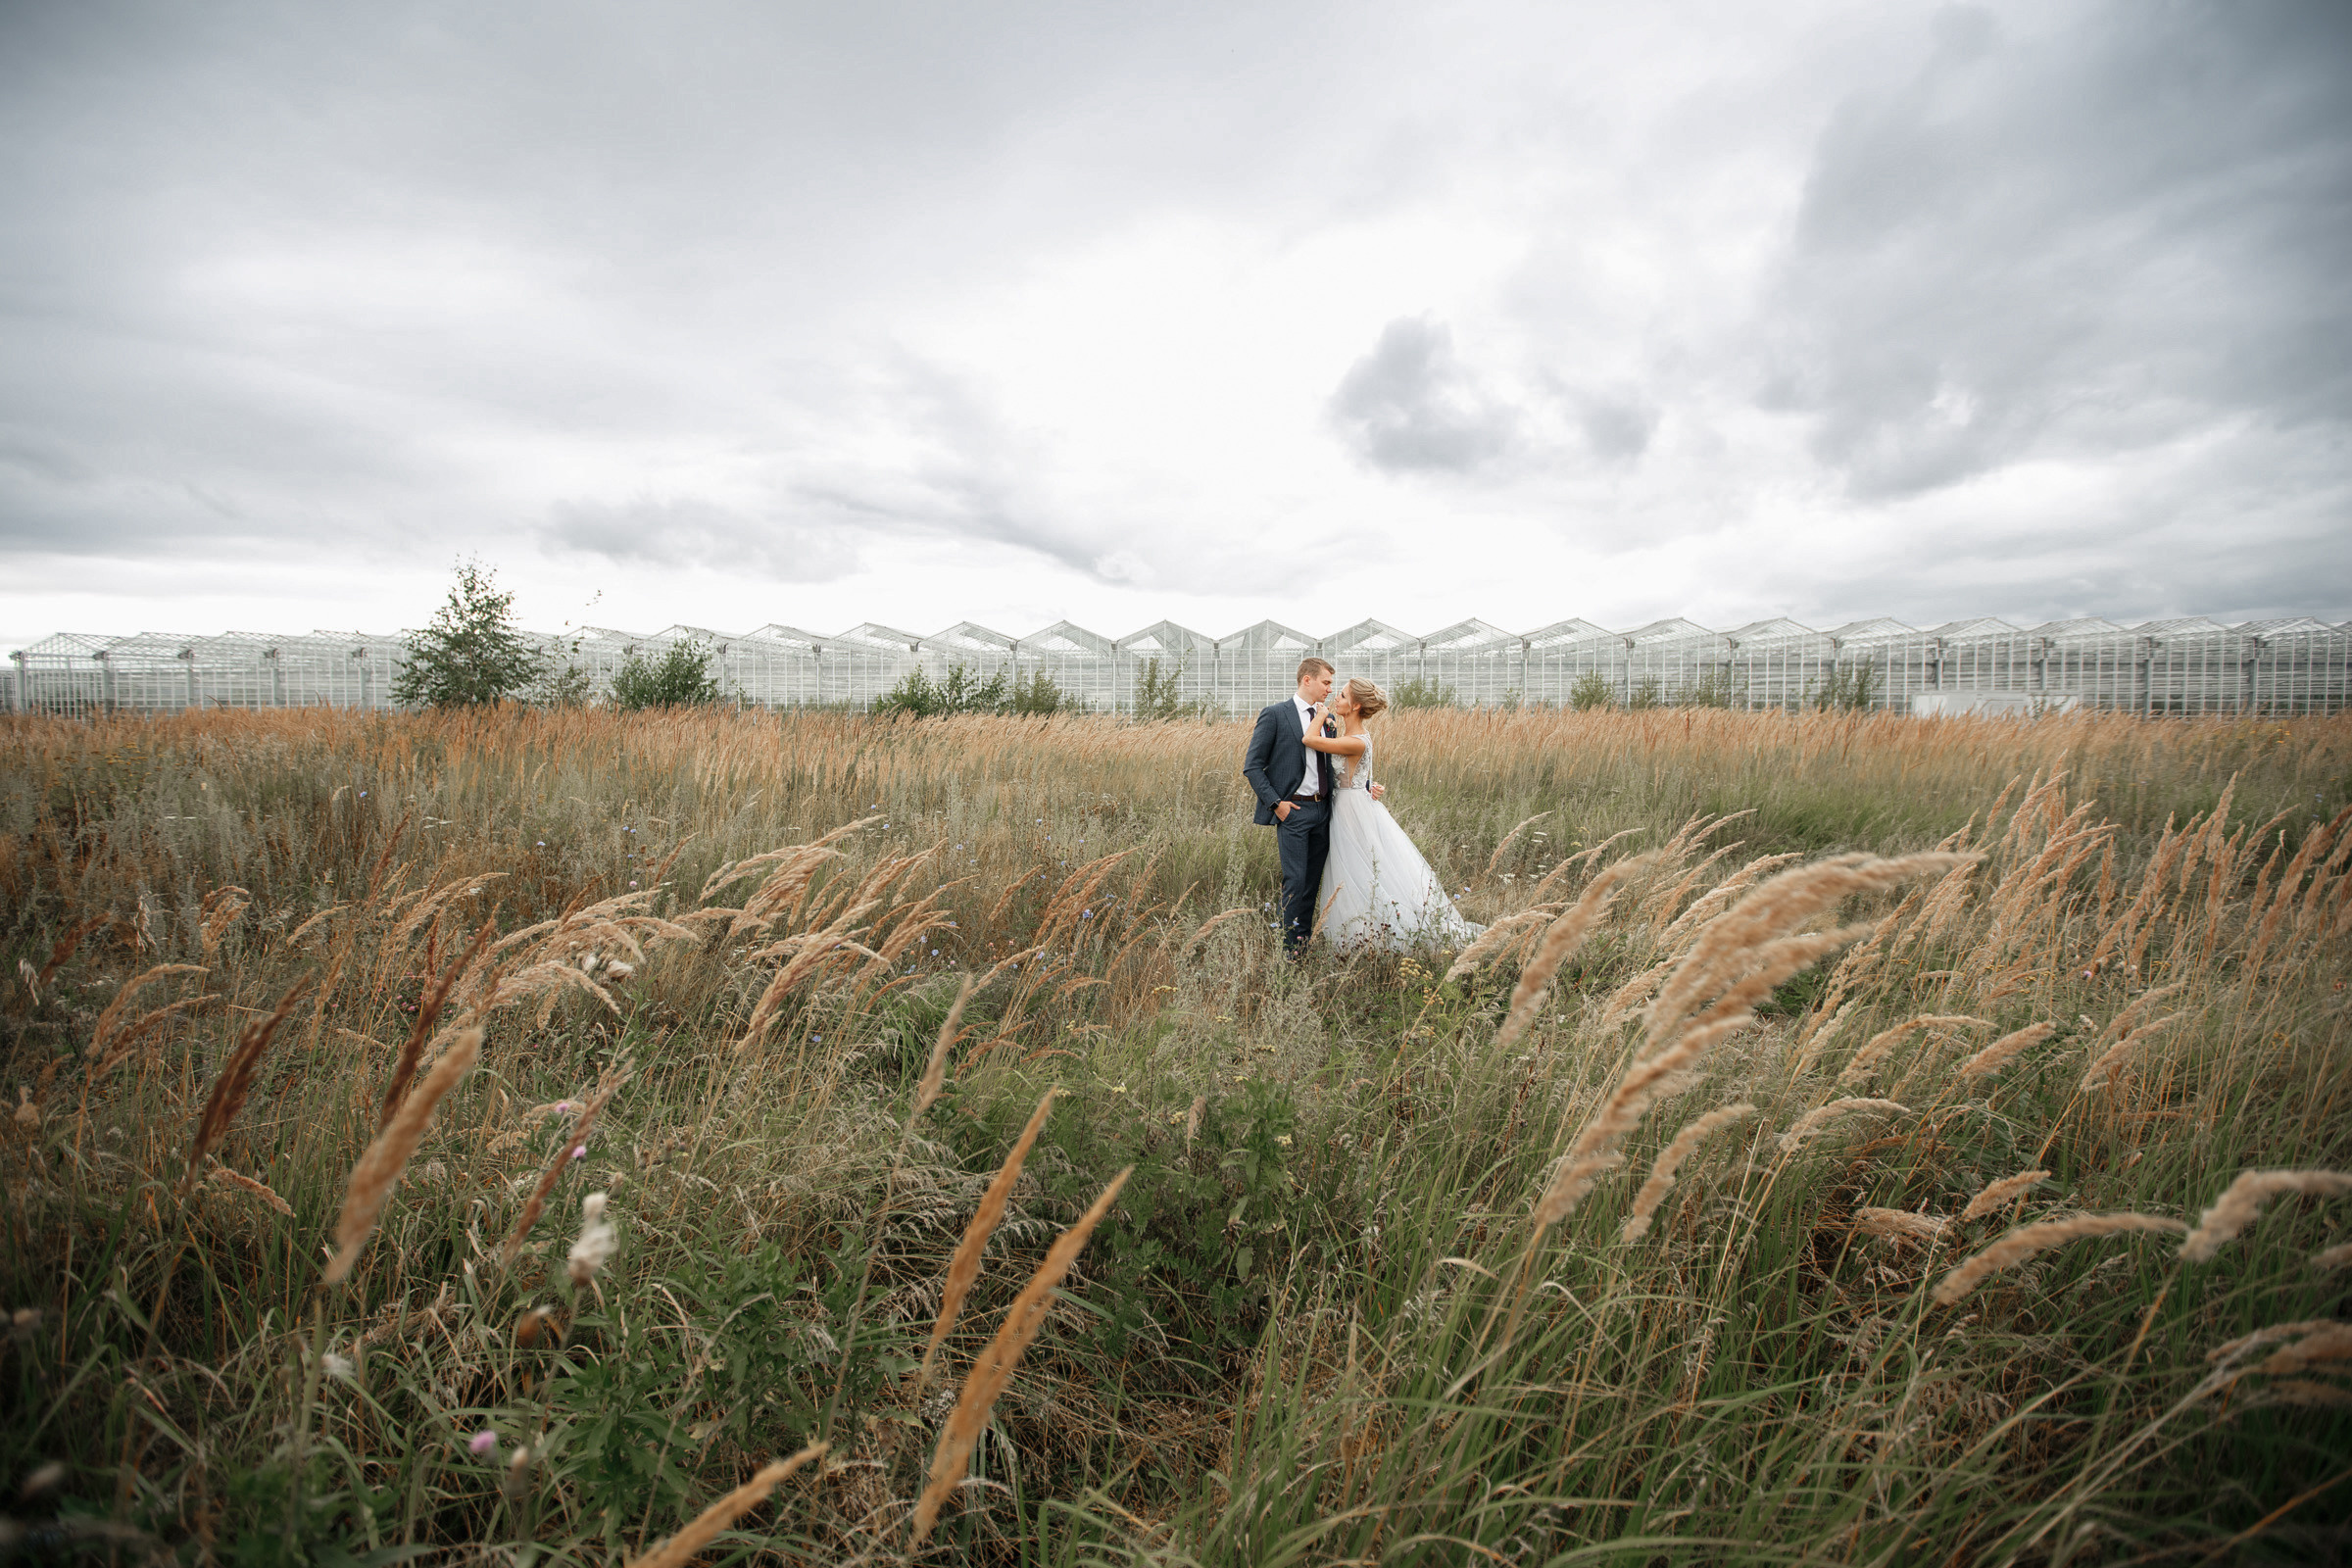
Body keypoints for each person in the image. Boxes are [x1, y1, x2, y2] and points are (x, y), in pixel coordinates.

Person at [1300, 676, 1482, 951]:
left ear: (1356, 705)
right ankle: (1361, 934)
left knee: (1360, 868)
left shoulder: (1356, 741)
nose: (1336, 698)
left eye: (1342, 696)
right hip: (1350, 804)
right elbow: (1349, 773)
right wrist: (1368, 785)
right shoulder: (1348, 736)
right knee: (1351, 869)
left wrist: (1321, 713)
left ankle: (1379, 935)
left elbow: (1308, 739)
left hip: (1352, 812)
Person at [1244, 657, 1381, 955]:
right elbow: (1253, 767)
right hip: (1292, 811)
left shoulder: (1328, 719)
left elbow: (1338, 766)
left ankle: (1302, 944)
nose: (1330, 689)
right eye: (1326, 682)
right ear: (1308, 680)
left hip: (1325, 812)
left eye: (1333, 684)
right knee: (1295, 881)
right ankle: (1289, 951)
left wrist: (1367, 786)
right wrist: (1276, 804)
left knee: (1313, 884)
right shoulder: (1276, 715)